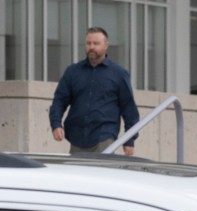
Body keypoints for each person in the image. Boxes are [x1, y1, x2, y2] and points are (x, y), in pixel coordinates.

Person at [49, 26, 139, 155]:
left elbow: (129, 109)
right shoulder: (72, 72)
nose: (91, 47)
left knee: (99, 174)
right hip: (76, 138)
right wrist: (56, 124)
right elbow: (59, 100)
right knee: (77, 175)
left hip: (104, 136)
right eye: (88, 43)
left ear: (106, 45)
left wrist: (129, 140)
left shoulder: (119, 74)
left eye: (96, 43)